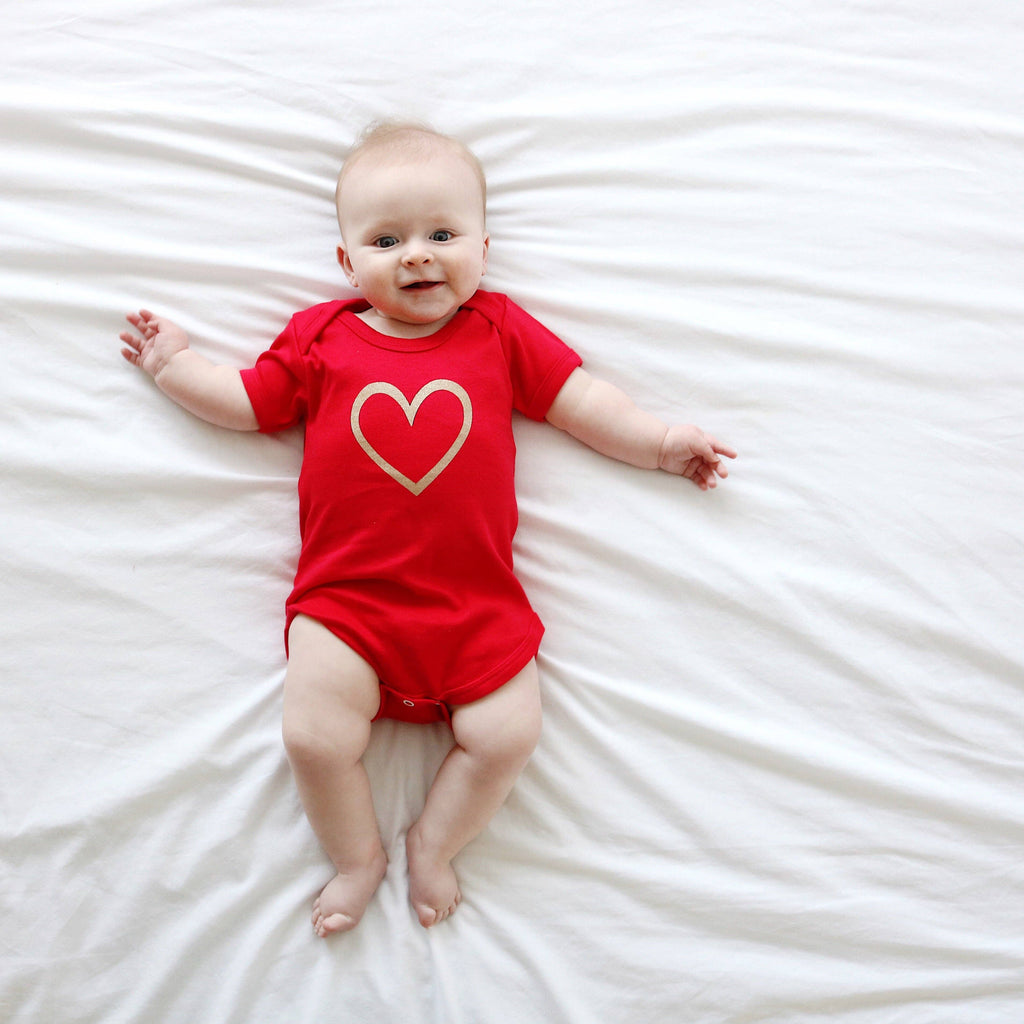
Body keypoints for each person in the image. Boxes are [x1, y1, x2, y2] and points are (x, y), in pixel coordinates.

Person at [119, 121, 736, 938]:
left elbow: (580, 400)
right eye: (386, 239)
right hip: (349, 606)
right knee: (312, 736)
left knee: (508, 735)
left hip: (475, 604)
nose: (416, 255)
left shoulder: (500, 331)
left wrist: (659, 443)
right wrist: (175, 367)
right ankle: (356, 856)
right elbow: (250, 403)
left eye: (442, 234)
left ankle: (435, 844)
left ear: (484, 245)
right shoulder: (321, 338)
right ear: (346, 264)